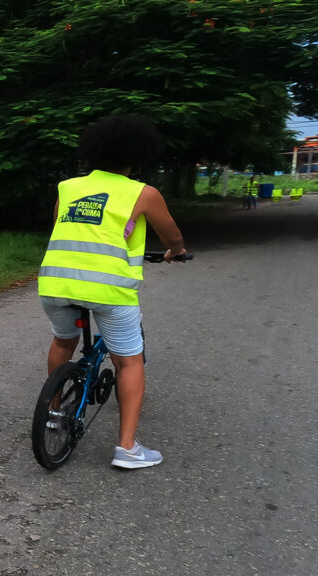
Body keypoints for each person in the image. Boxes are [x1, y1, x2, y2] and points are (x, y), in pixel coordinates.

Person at [37, 115, 187, 470]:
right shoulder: (143, 193)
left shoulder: (67, 187)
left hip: (55, 282)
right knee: (128, 360)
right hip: (109, 289)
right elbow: (172, 236)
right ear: (136, 155)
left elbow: (62, 223)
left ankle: (54, 413)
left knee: (63, 342)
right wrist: (176, 252)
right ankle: (127, 448)